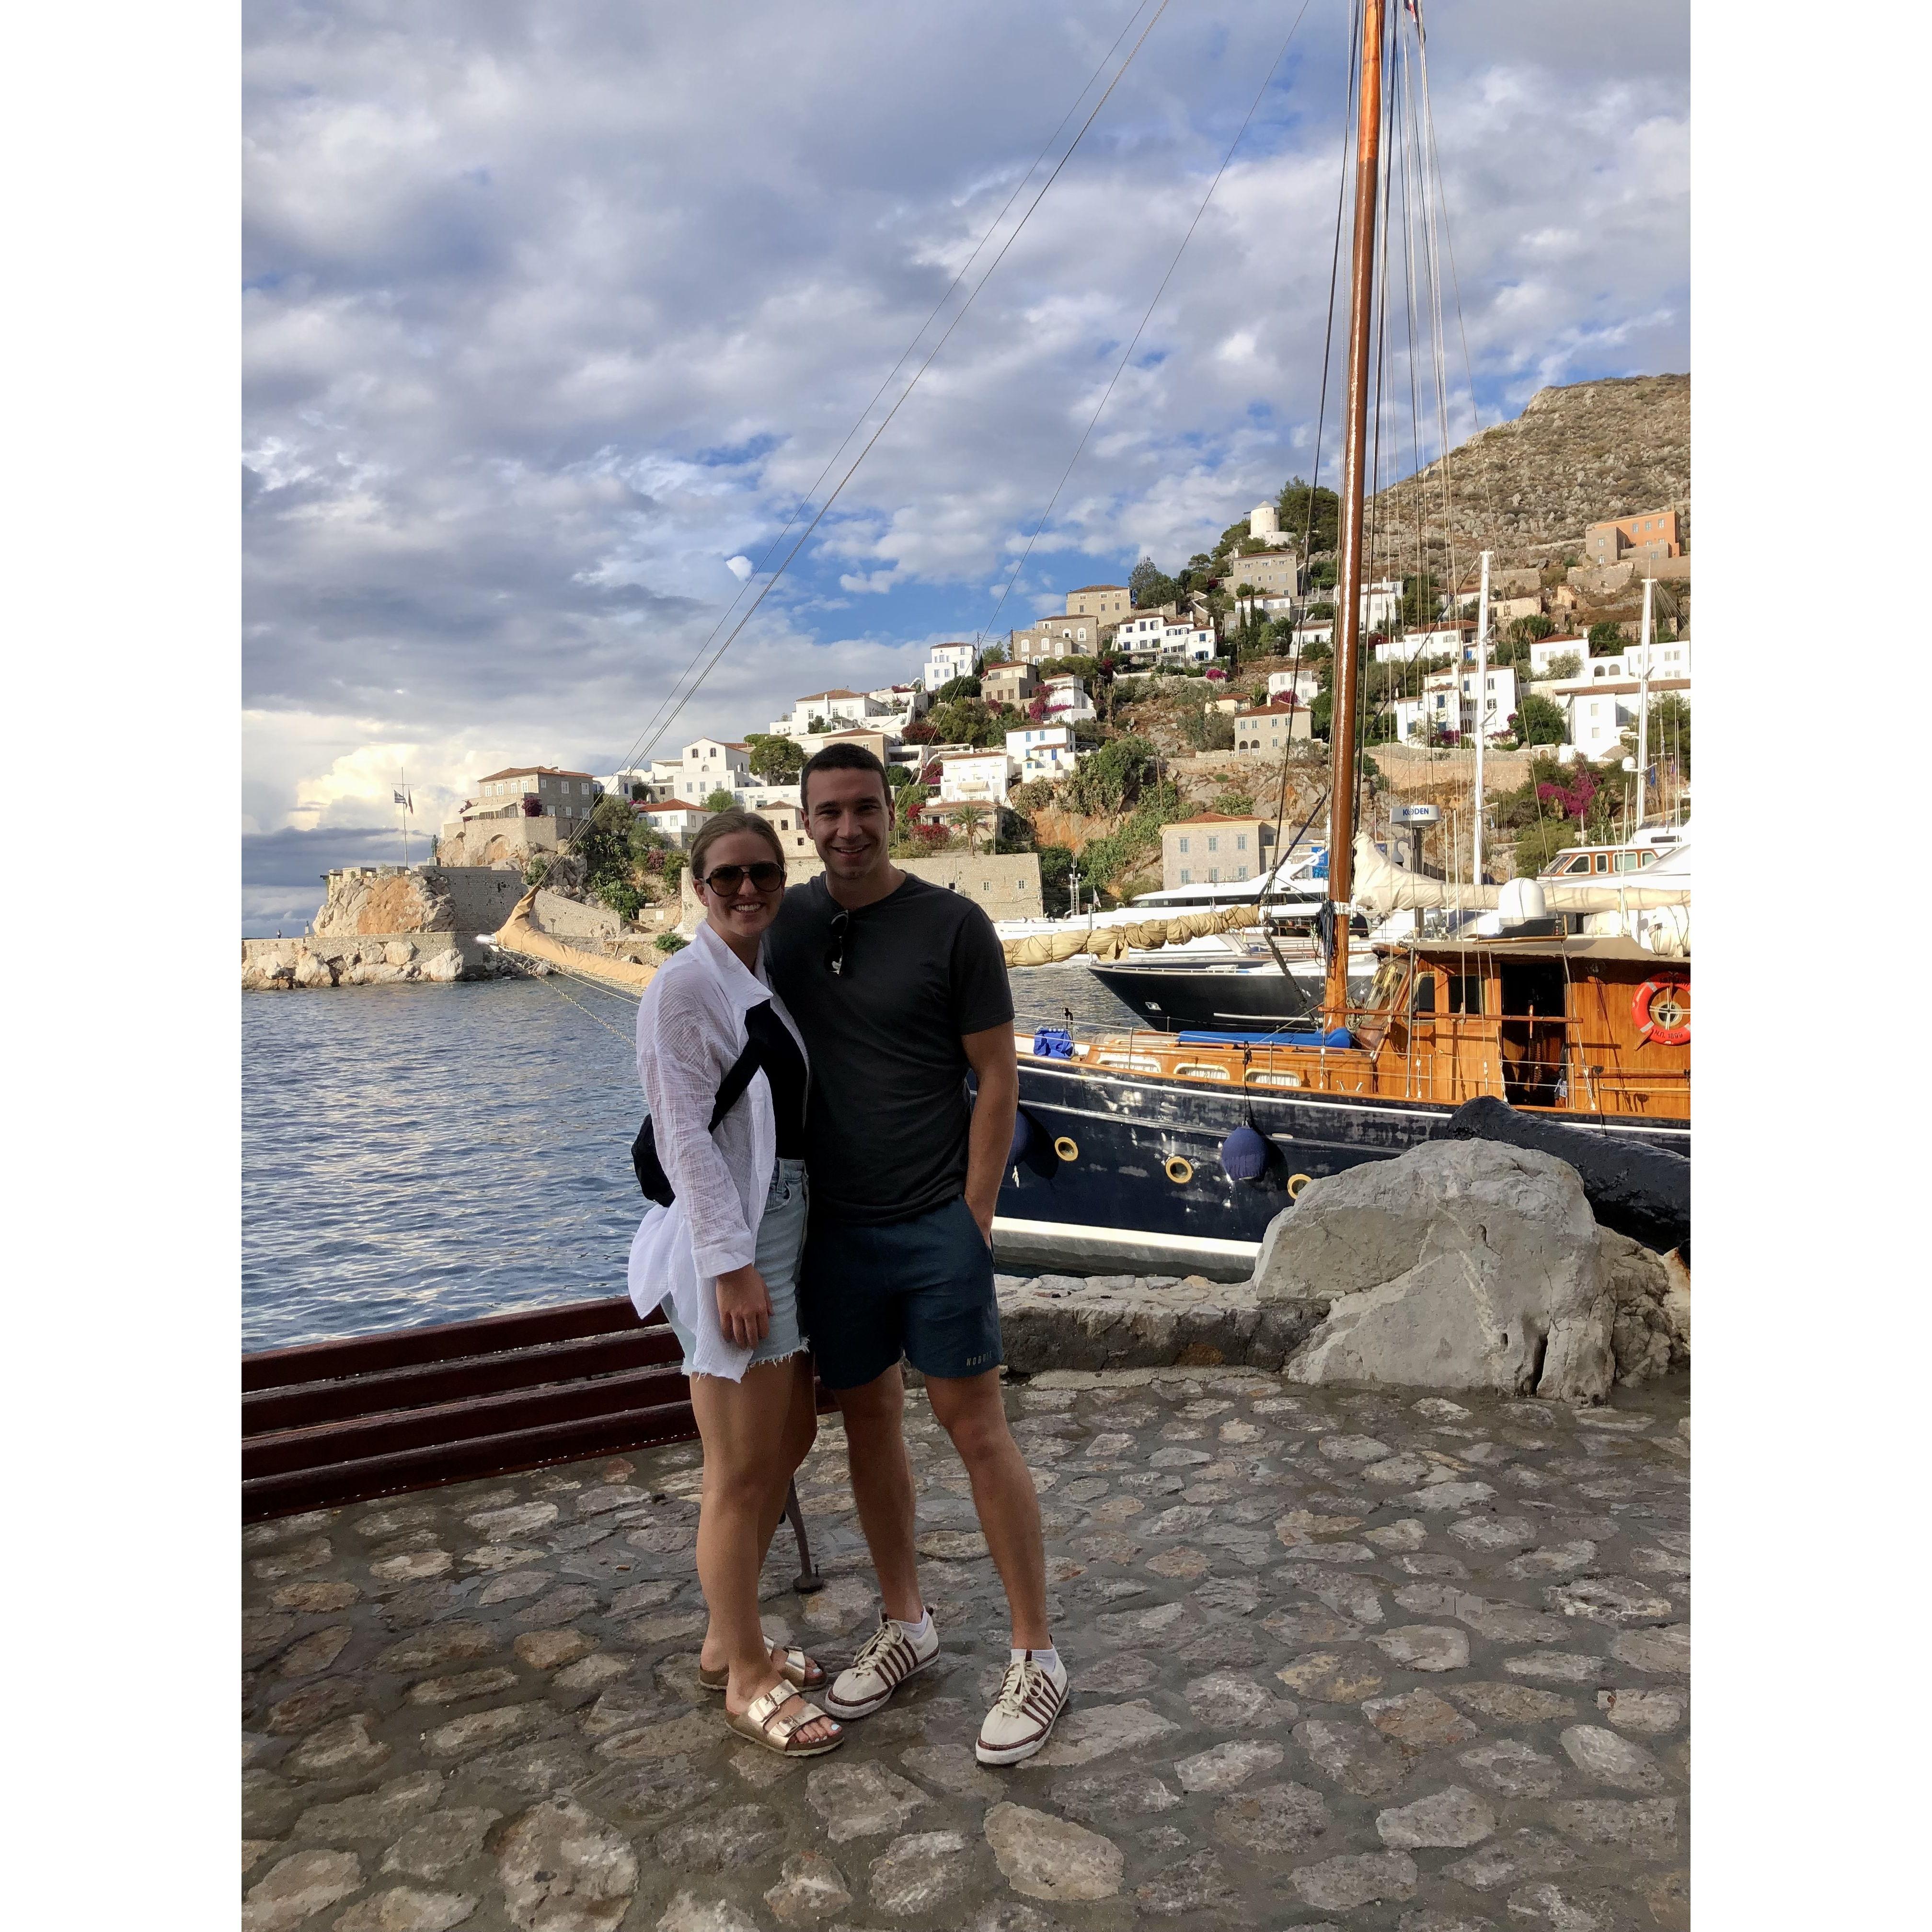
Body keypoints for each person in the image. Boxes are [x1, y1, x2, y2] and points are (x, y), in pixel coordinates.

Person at [765, 744, 1069, 1766]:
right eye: (828, 813)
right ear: (804, 822)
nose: (847, 828)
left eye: (864, 808)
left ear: (893, 813)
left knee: (976, 1427)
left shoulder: (953, 925)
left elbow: (998, 1076)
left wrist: (974, 1216)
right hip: (834, 1233)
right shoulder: (787, 926)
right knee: (868, 1423)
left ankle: (1037, 1653)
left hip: (935, 1221)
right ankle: (907, 1623)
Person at [627, 808, 843, 1759]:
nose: (747, 889)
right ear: (699, 887)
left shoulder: (753, 978)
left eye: (763, 873)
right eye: (727, 877)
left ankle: (730, 1638)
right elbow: (683, 1138)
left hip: (783, 1222)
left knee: (789, 1438)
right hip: (740, 1238)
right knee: (741, 1467)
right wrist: (731, 1265)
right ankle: (746, 1675)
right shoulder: (684, 987)